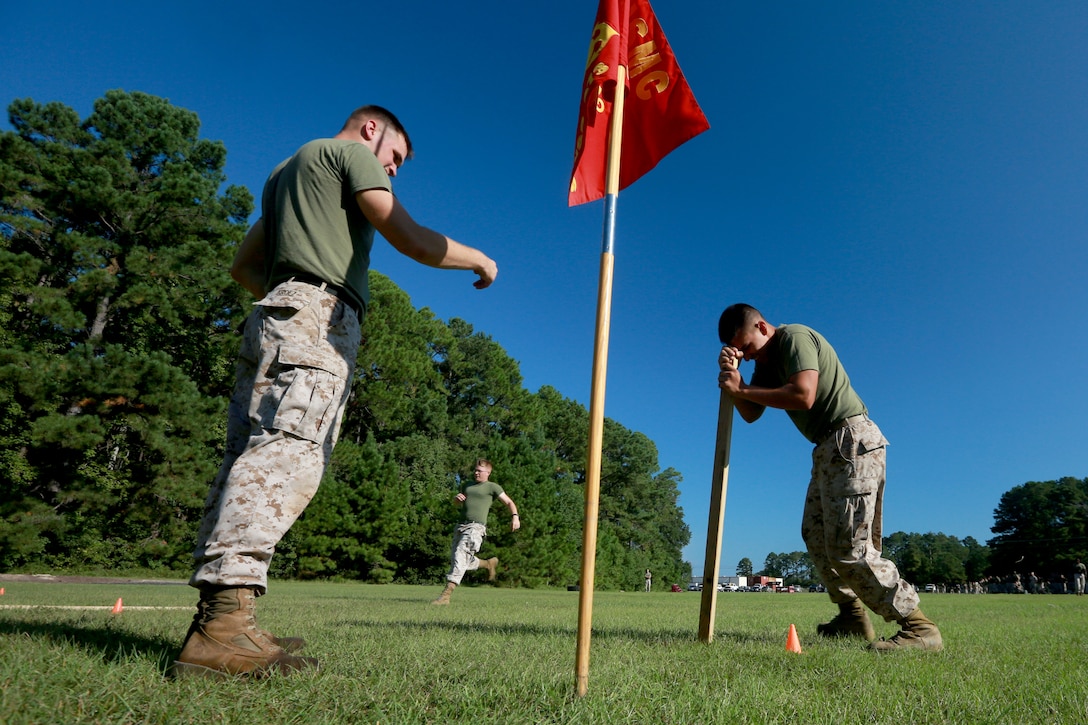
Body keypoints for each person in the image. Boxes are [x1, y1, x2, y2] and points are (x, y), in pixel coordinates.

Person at [172, 105, 499, 679]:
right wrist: (478, 259)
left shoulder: (284, 174)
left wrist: (286, 294)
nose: (393, 171)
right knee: (288, 454)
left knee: (248, 457)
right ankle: (224, 629)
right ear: (373, 129)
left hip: (274, 313)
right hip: (317, 316)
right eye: (395, 158)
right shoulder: (348, 154)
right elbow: (411, 237)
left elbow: (244, 265)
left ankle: (218, 620)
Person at [716, 304, 942, 652]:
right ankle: (852, 617)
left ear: (762, 326)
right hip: (826, 448)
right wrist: (735, 381)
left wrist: (743, 390)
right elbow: (750, 414)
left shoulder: (794, 337)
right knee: (817, 536)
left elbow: (804, 395)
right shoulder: (764, 362)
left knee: (850, 546)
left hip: (851, 440)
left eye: (745, 347)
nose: (745, 356)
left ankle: (919, 628)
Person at [432, 459, 520, 605]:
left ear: (488, 473)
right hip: (460, 526)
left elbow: (509, 502)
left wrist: (515, 517)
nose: (476, 472)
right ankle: (487, 564)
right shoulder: (467, 485)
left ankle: (446, 595)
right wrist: (456, 500)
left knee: (461, 555)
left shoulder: (492, 487)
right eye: (475, 470)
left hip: (476, 528)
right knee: (458, 559)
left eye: (479, 470)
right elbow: (457, 504)